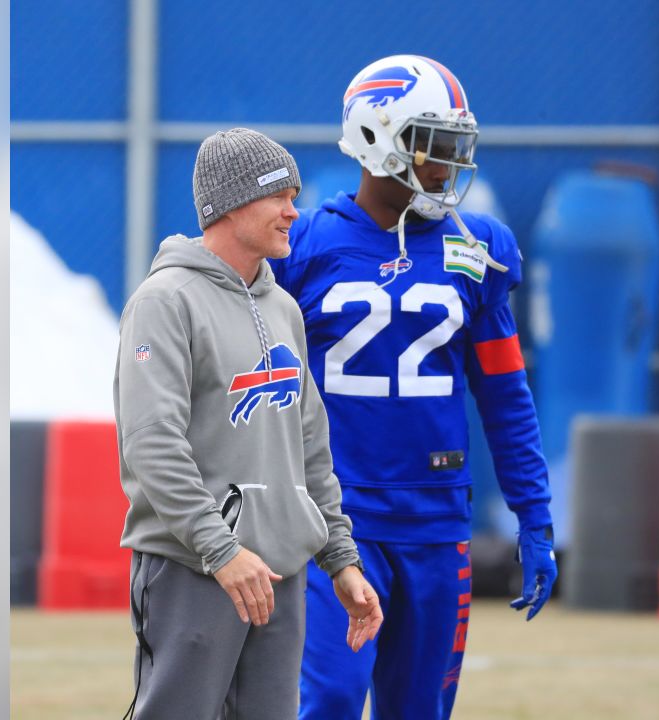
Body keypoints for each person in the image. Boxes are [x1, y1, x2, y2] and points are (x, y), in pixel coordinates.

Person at [268, 55, 559, 720]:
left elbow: (506, 397)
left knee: (418, 710)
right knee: (331, 700)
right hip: (335, 520)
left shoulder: (478, 247)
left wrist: (534, 515)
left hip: (436, 520)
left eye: (457, 145)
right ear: (377, 137)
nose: (448, 163)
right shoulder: (304, 244)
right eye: (434, 144)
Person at [114, 128, 383, 720]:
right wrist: (220, 550)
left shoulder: (282, 306)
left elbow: (309, 443)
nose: (295, 211)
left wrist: (341, 557)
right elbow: (151, 442)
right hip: (194, 567)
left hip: (279, 574)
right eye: (280, 196)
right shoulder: (166, 301)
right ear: (232, 204)